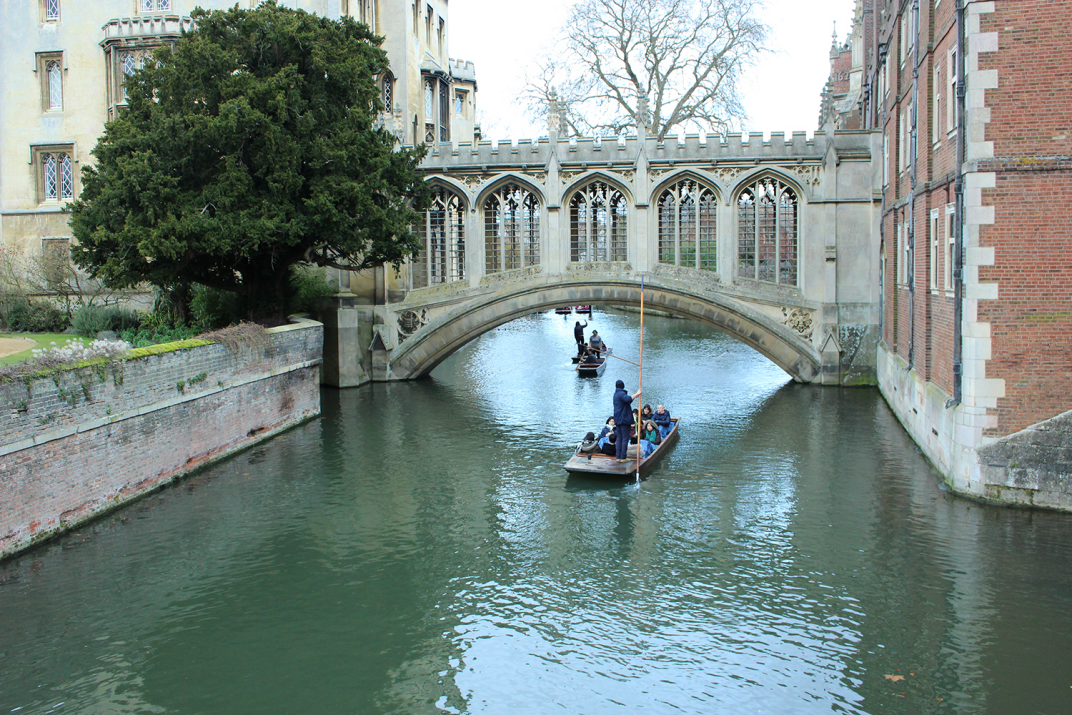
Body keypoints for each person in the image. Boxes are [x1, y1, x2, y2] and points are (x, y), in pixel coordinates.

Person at [612, 379, 641, 462]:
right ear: (623, 386)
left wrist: (635, 396)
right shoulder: (621, 393)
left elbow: (627, 401)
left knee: (619, 438)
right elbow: (627, 399)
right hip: (624, 419)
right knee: (624, 438)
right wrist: (637, 393)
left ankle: (618, 457)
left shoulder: (616, 394)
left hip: (618, 419)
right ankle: (623, 457)